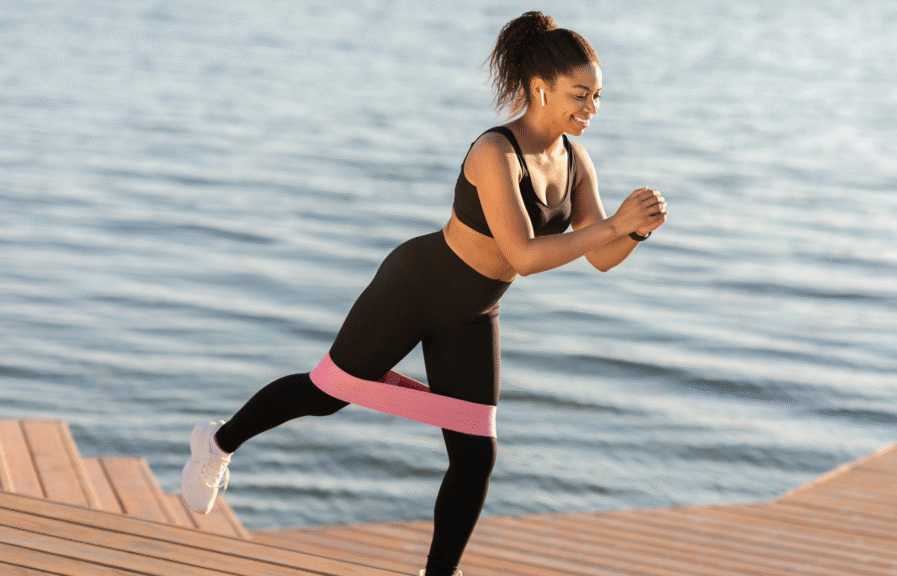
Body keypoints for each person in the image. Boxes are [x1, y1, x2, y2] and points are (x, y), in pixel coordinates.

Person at [180, 11, 667, 576]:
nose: (591, 109)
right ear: (540, 89)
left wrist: (634, 229)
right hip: (415, 287)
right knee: (327, 393)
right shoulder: (495, 152)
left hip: (473, 310)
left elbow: (601, 258)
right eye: (580, 95)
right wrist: (612, 226)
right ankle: (217, 443)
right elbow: (525, 256)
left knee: (474, 453)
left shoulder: (575, 160)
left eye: (598, 96)